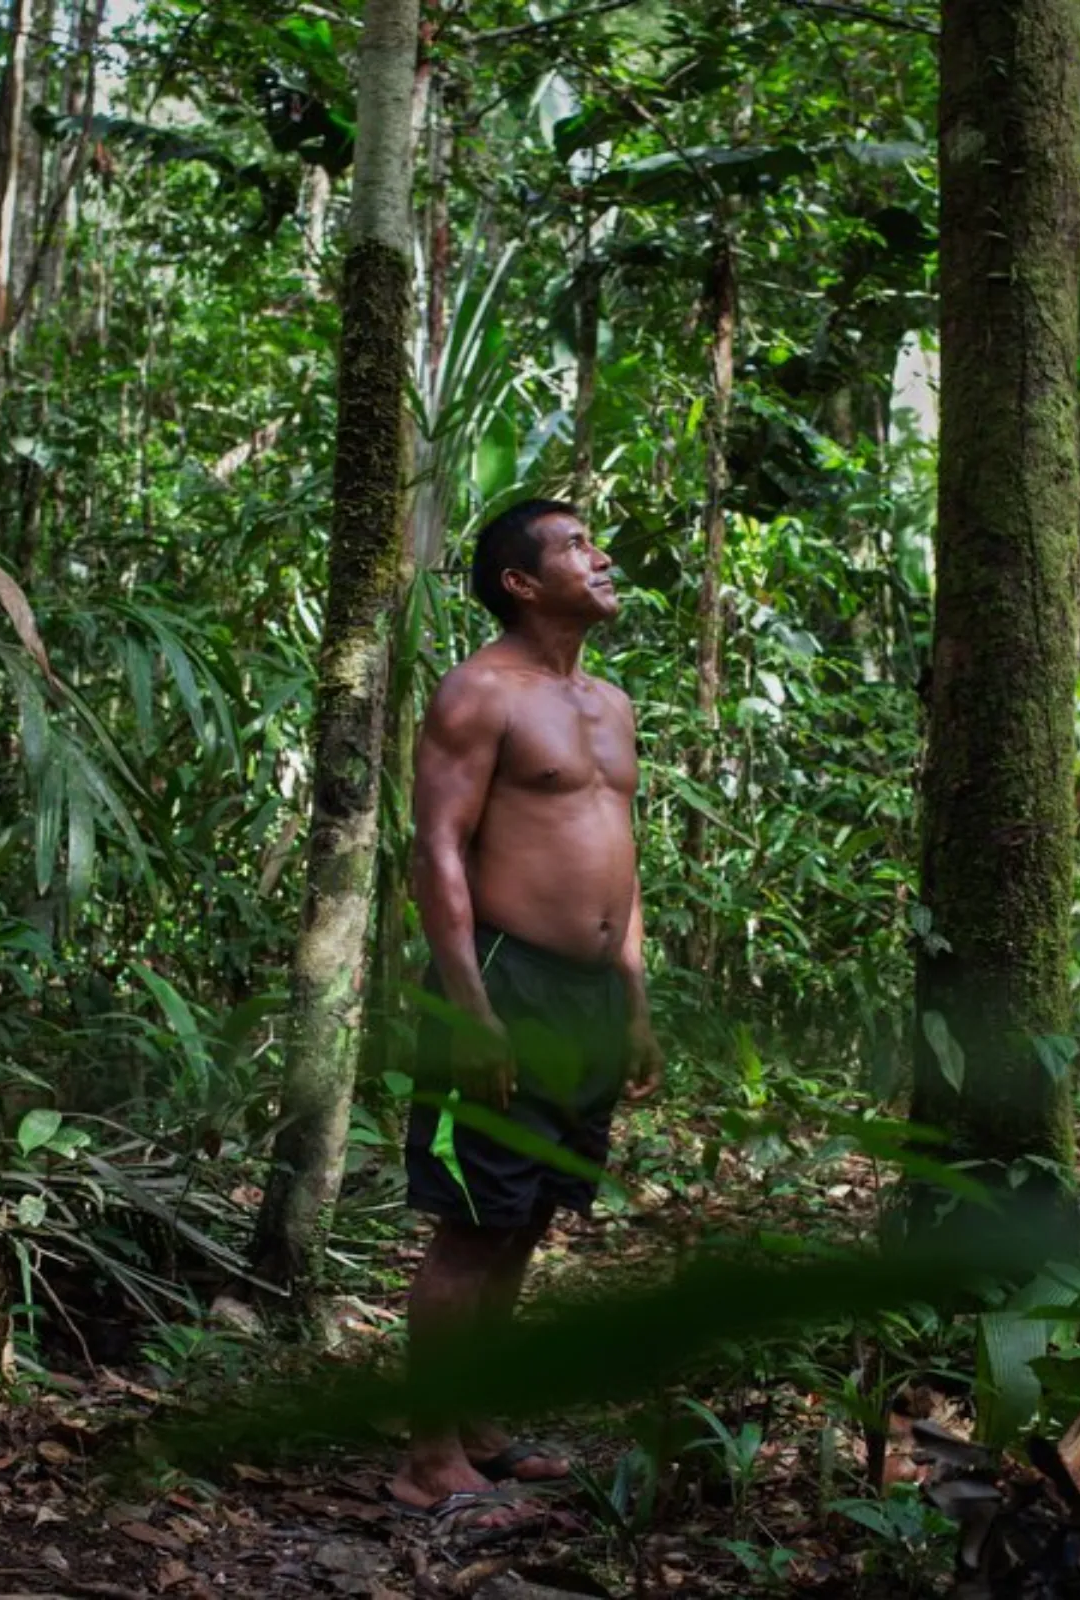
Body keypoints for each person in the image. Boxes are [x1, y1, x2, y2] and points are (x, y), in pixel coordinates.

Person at [386, 498, 666, 1527]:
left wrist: (632, 999)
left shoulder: (613, 702)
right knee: (471, 1226)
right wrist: (469, 1007)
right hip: (504, 978)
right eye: (577, 547)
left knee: (530, 1216)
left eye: (597, 541)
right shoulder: (479, 694)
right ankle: (425, 1455)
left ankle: (481, 1420)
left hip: (589, 996)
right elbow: (438, 854)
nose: (602, 557)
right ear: (519, 580)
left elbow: (621, 866)